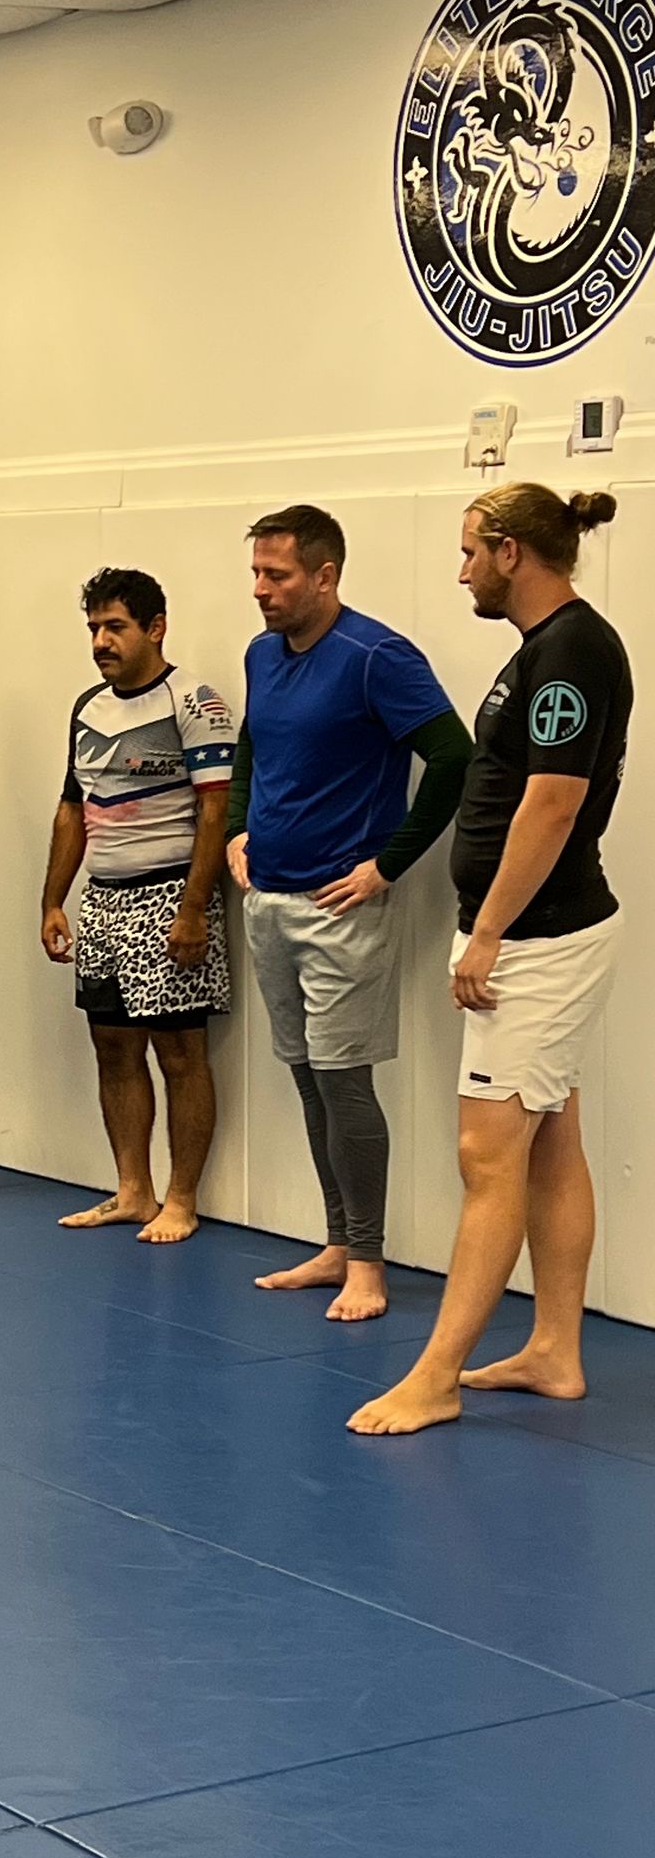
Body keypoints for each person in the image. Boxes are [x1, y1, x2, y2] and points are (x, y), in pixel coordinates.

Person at [350, 486, 631, 1436]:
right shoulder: (545, 652)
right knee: (547, 1134)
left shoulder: (574, 653)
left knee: (486, 1152)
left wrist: (490, 935)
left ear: (513, 552)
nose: (460, 567)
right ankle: (553, 1349)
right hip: (538, 932)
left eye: (471, 550)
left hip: (540, 940)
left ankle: (436, 1375)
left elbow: (553, 805)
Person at [226, 505, 471, 1321]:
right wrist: (238, 830)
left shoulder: (377, 656)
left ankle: (367, 1260)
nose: (260, 589)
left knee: (345, 1082)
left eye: (278, 575)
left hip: (342, 908)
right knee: (307, 1078)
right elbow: (254, 745)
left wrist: (387, 865)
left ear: (325, 576)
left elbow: (452, 756)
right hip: (272, 900)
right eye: (256, 572)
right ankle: (337, 1241)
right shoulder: (263, 654)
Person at [41, 567, 237, 1243]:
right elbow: (73, 809)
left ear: (155, 628)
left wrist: (194, 908)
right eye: (94, 627)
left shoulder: (195, 702)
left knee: (180, 1052)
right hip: (104, 899)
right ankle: (133, 1189)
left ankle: (181, 1197)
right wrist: (53, 901)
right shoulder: (87, 707)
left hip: (169, 893)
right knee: (112, 1046)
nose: (101, 640)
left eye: (115, 626)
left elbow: (216, 813)